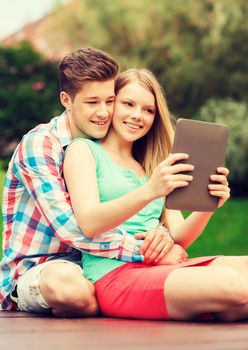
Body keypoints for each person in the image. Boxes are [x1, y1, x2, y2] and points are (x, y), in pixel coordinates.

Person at [63, 68, 248, 322]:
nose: (137, 116)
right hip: (115, 275)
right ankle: (223, 305)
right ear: (112, 104)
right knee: (230, 284)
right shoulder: (83, 151)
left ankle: (222, 307)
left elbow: (179, 237)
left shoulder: (155, 165)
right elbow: (89, 222)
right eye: (128, 104)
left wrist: (208, 205)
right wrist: (150, 190)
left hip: (163, 268)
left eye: (148, 110)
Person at [0, 48, 173, 317]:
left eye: (110, 100)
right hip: (41, 267)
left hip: (98, 263)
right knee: (73, 289)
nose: (104, 112)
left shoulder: (104, 145)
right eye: (92, 103)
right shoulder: (41, 145)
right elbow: (71, 228)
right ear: (66, 100)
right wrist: (144, 251)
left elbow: (134, 210)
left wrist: (160, 235)